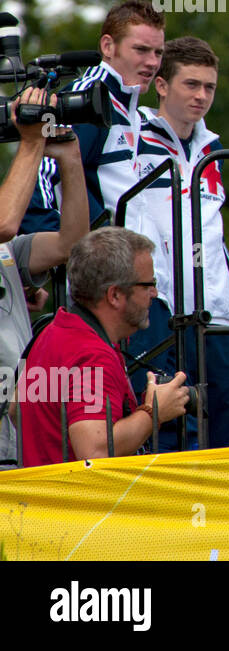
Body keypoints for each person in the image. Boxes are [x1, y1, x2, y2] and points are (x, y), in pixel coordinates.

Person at [123, 38, 229, 450]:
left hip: (213, 313)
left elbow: (211, 229)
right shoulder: (134, 136)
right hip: (157, 308)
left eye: (209, 87)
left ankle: (220, 516)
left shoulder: (212, 146)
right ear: (162, 85)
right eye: (191, 84)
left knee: (221, 428)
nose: (201, 96)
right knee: (160, 430)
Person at [18, 227, 189, 467]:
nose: (155, 293)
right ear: (115, 295)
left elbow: (17, 409)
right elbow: (94, 451)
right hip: (78, 501)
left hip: (40, 498)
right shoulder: (91, 354)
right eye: (148, 284)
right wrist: (153, 412)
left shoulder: (53, 333)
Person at [22, 0, 165, 233]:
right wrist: (64, 253)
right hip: (95, 265)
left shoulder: (131, 109)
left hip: (131, 263)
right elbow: (39, 177)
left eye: (158, 52)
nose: (152, 62)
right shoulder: (87, 97)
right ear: (108, 46)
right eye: (141, 49)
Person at [1, 95, 89, 467]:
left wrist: (70, 161)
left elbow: (71, 244)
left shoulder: (7, 251)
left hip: (17, 437)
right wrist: (32, 140)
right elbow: (5, 222)